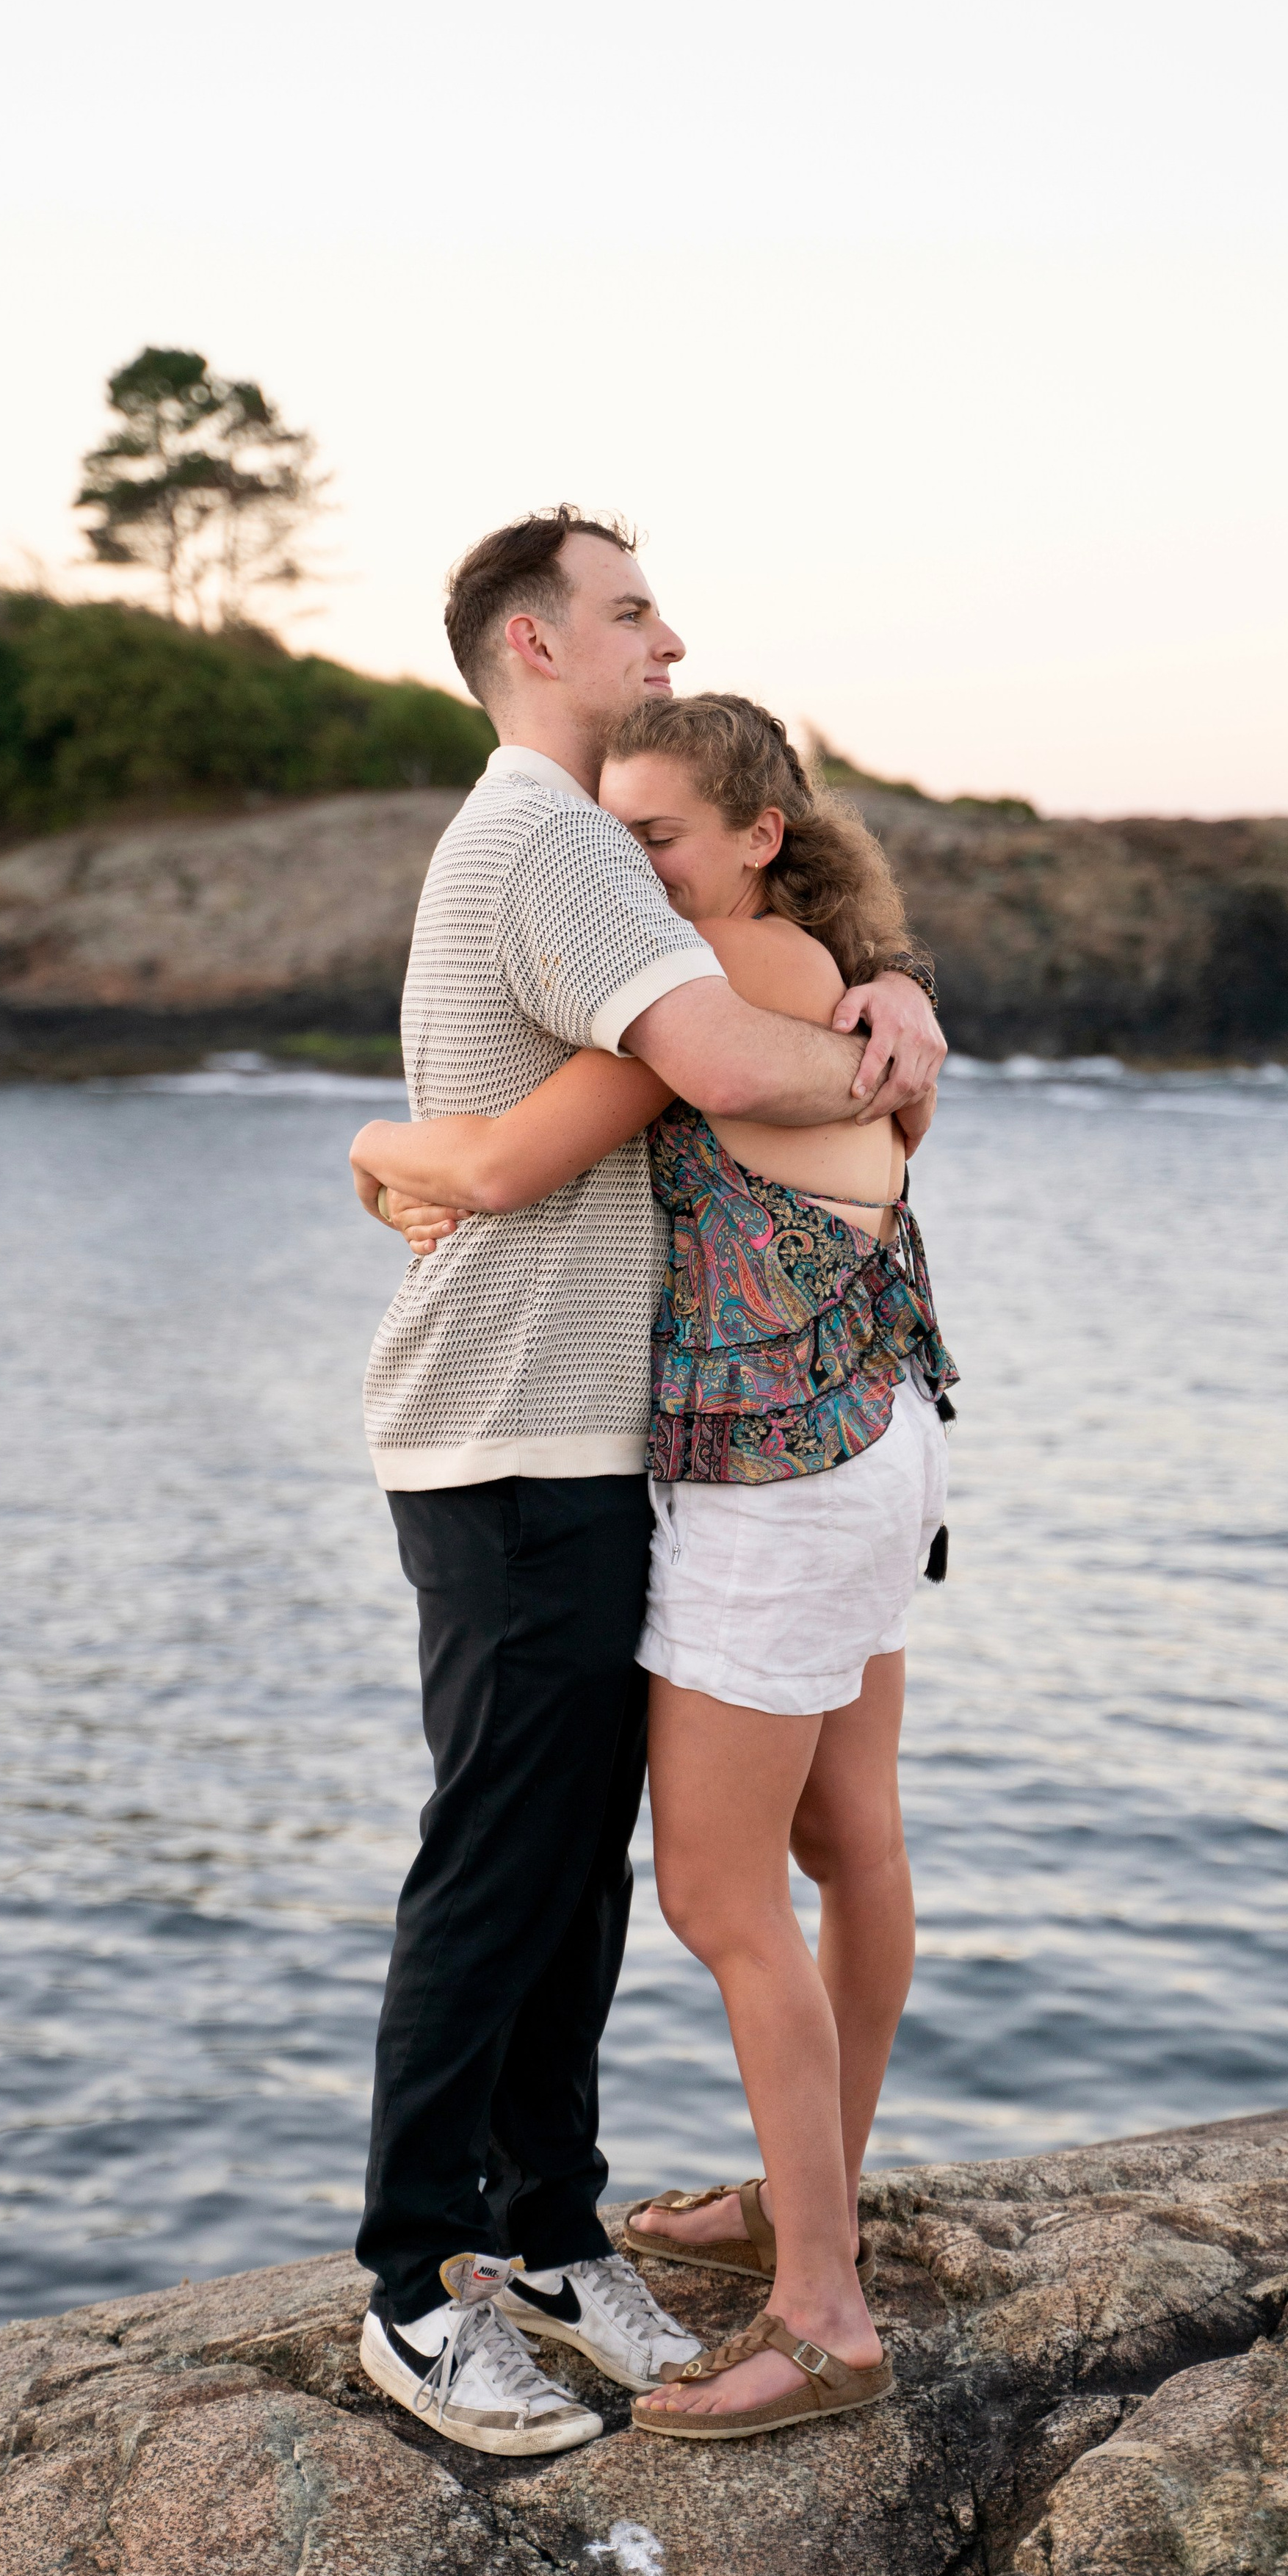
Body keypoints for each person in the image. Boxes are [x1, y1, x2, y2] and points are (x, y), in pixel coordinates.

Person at [347, 511, 945, 2456]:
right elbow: (701, 1058)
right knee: (508, 1867)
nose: (666, 637)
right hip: (518, 1433)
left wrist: (895, 989)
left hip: (613, 1443)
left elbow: (639, 1075)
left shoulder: (570, 842)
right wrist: (885, 1040)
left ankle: (547, 2226)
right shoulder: (550, 836)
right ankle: (416, 2278)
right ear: (537, 641)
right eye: (630, 612)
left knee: (579, 1874)